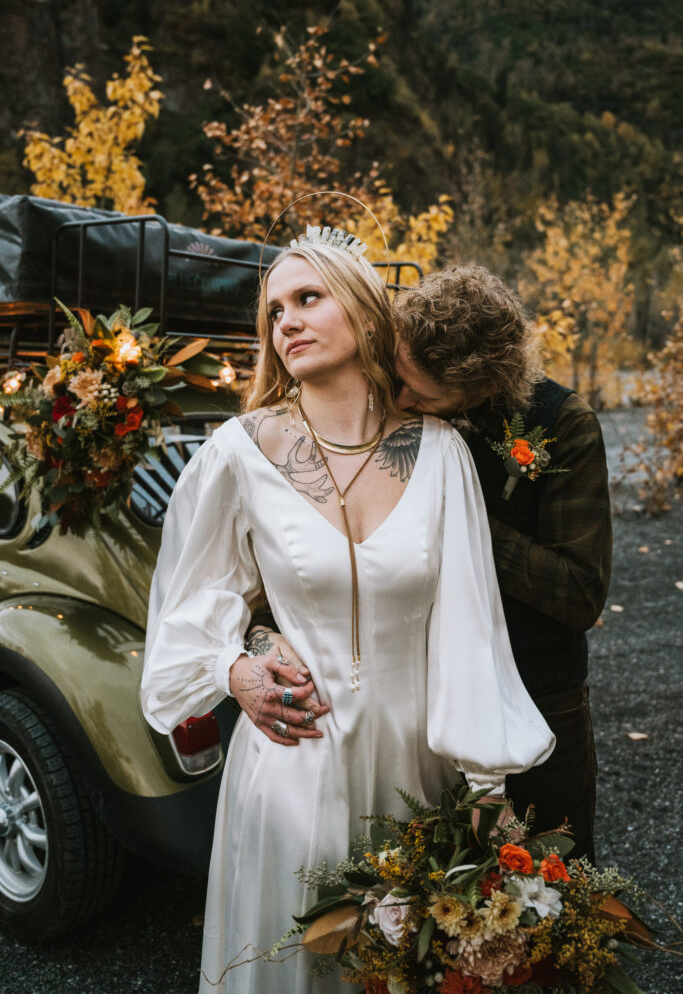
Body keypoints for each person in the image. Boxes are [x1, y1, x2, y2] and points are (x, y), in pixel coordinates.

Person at [141, 231, 554, 994]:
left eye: (307, 298)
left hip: (416, 776)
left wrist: (486, 793)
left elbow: (468, 626)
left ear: (365, 316)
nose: (285, 322)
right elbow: (187, 600)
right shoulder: (237, 450)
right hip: (293, 764)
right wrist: (233, 668)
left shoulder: (439, 450)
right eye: (272, 311)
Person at [390, 264, 612, 862]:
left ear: (481, 383)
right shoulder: (391, 407)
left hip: (539, 699)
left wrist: (464, 522)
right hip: (424, 699)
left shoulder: (564, 425)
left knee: (551, 884)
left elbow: (579, 594)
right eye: (397, 377)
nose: (400, 400)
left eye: (420, 394)